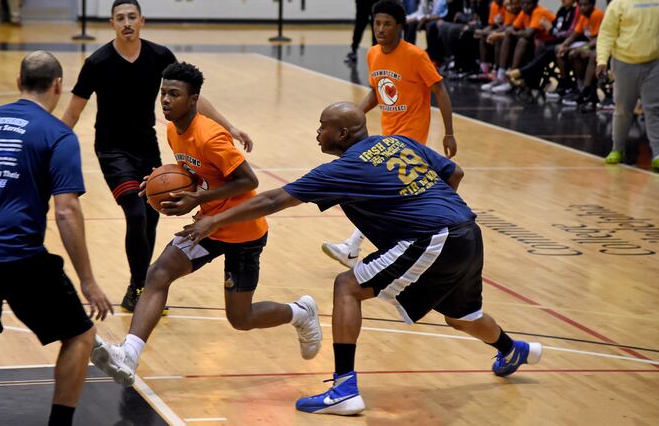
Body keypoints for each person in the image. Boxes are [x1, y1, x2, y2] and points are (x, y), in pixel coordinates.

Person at [178, 101, 543, 416]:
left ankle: (343, 389)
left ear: (344, 134)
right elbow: (454, 172)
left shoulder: (345, 168)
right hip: (467, 230)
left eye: (324, 127)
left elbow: (273, 200)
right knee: (462, 317)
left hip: (430, 237)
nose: (317, 132)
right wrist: (424, 209)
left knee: (346, 286)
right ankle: (513, 351)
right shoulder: (396, 142)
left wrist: (215, 219)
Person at [90, 62, 323, 387]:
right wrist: (162, 184)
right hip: (206, 226)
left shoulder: (212, 136)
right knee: (158, 274)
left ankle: (301, 312)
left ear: (194, 99)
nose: (166, 100)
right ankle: (129, 354)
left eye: (174, 94)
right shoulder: (173, 130)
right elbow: (197, 176)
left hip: (242, 230)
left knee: (240, 319)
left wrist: (197, 201)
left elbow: (248, 181)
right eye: (163, 93)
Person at [0, 51, 113, 426]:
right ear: (58, 86)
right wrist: (87, 280)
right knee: (81, 335)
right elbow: (66, 211)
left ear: (19, 83)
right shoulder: (57, 135)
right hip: (16, 255)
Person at [62, 0, 253, 312]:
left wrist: (230, 128)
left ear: (141, 21)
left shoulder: (159, 56)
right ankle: (140, 287)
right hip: (111, 151)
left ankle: (138, 285)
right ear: (111, 24)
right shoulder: (97, 63)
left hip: (146, 146)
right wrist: (45, 149)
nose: (126, 23)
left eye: (131, 17)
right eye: (120, 18)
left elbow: (193, 98)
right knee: (135, 213)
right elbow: (72, 114)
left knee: (150, 217)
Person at [323, 0, 457, 267]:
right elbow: (377, 89)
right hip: (387, 132)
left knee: (379, 187)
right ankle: (436, 230)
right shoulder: (373, 53)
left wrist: (449, 132)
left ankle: (354, 245)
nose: (380, 29)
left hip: (409, 137)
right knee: (399, 193)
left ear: (400, 27)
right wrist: (356, 116)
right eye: (377, 24)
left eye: (387, 24)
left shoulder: (416, 56)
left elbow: (439, 90)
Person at [597, 0, 659, 172]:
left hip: (654, 63)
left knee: (653, 109)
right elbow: (606, 34)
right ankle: (617, 148)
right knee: (623, 110)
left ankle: (657, 153)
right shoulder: (620, 2)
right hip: (624, 63)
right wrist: (602, 61)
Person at [487, 0, 556, 94]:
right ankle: (501, 75)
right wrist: (503, 34)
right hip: (536, 42)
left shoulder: (539, 11)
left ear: (535, 4)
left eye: (528, 3)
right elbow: (512, 28)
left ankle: (512, 76)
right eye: (523, 3)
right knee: (506, 38)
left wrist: (512, 33)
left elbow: (528, 34)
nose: (524, 6)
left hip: (549, 43)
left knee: (522, 41)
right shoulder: (524, 12)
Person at [557, 0, 604, 108]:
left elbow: (598, 39)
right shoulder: (583, 16)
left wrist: (582, 48)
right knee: (563, 50)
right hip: (591, 45)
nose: (582, 8)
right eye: (580, 5)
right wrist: (564, 45)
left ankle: (585, 89)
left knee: (577, 53)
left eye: (586, 5)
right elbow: (574, 34)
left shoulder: (597, 14)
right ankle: (574, 85)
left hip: (600, 46)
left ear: (593, 5)